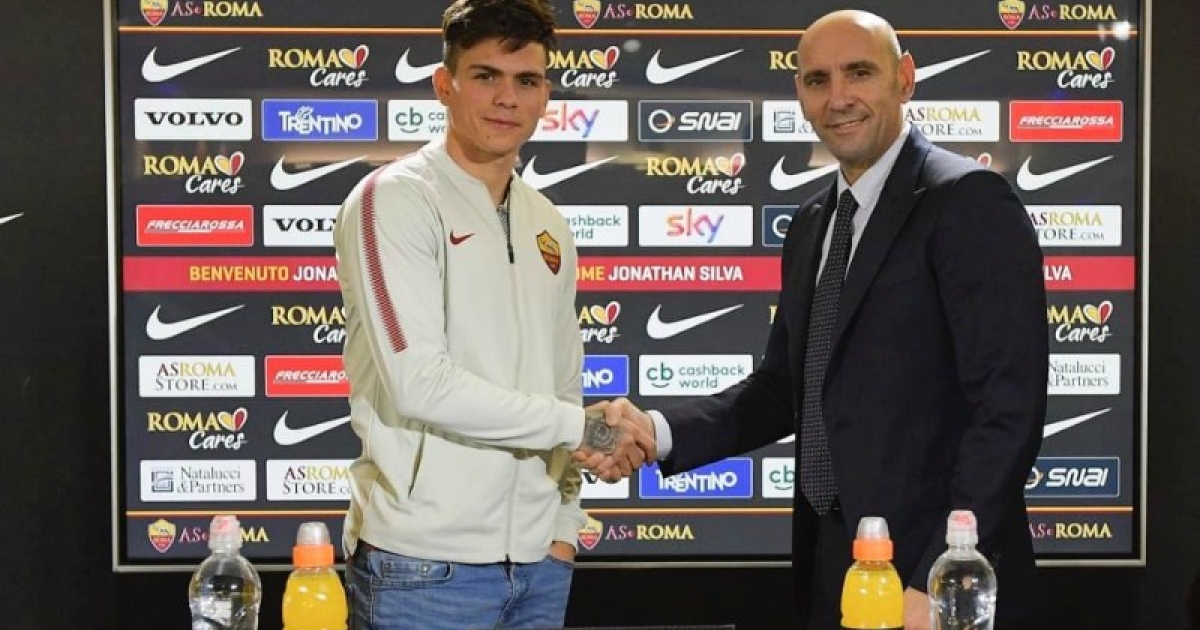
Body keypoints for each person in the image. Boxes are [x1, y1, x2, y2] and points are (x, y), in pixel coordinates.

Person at [585, 9, 1047, 630]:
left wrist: (941, 574)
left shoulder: (968, 200)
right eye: (817, 80)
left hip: (933, 580)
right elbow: (783, 390)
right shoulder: (812, 223)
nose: (839, 98)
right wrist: (656, 431)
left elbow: (1008, 407)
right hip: (834, 570)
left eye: (859, 73)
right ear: (799, 93)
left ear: (904, 79)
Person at [332, 0, 650, 628]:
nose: (507, 98)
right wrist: (580, 429)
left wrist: (562, 530)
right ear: (444, 85)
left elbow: (563, 386)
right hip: (422, 572)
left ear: (545, 96)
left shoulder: (547, 222)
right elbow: (420, 383)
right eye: (485, 76)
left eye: (526, 80)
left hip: (538, 571)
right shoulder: (394, 199)